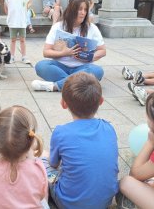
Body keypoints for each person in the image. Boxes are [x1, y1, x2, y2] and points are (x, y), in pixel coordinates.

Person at [43, 72, 118, 208]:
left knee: (42, 158)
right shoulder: (109, 128)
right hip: (105, 202)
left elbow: (53, 164)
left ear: (63, 104)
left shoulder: (61, 132)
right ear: (101, 101)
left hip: (68, 203)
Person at [32, 0, 106, 92]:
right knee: (41, 66)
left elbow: (102, 51)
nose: (83, 13)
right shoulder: (57, 27)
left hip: (82, 67)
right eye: (80, 9)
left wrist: (89, 57)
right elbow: (46, 52)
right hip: (60, 66)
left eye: (85, 10)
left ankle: (55, 86)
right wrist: (64, 53)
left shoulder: (92, 28)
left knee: (97, 71)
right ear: (72, 10)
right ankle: (79, 83)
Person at [3, 0, 31, 64]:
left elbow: (26, 8)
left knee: (23, 40)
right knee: (13, 40)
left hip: (22, 22)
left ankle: (24, 56)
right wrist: (11, 17)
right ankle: (12, 56)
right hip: (13, 22)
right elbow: (6, 9)